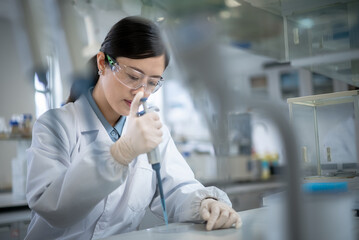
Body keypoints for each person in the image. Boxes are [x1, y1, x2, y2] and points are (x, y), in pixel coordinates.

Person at [25, 16, 241, 239]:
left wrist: (205, 203)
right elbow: (52, 207)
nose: (141, 92)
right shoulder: (55, 125)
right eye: (132, 76)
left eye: (152, 82)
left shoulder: (152, 128)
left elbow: (176, 188)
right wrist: (120, 153)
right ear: (102, 63)